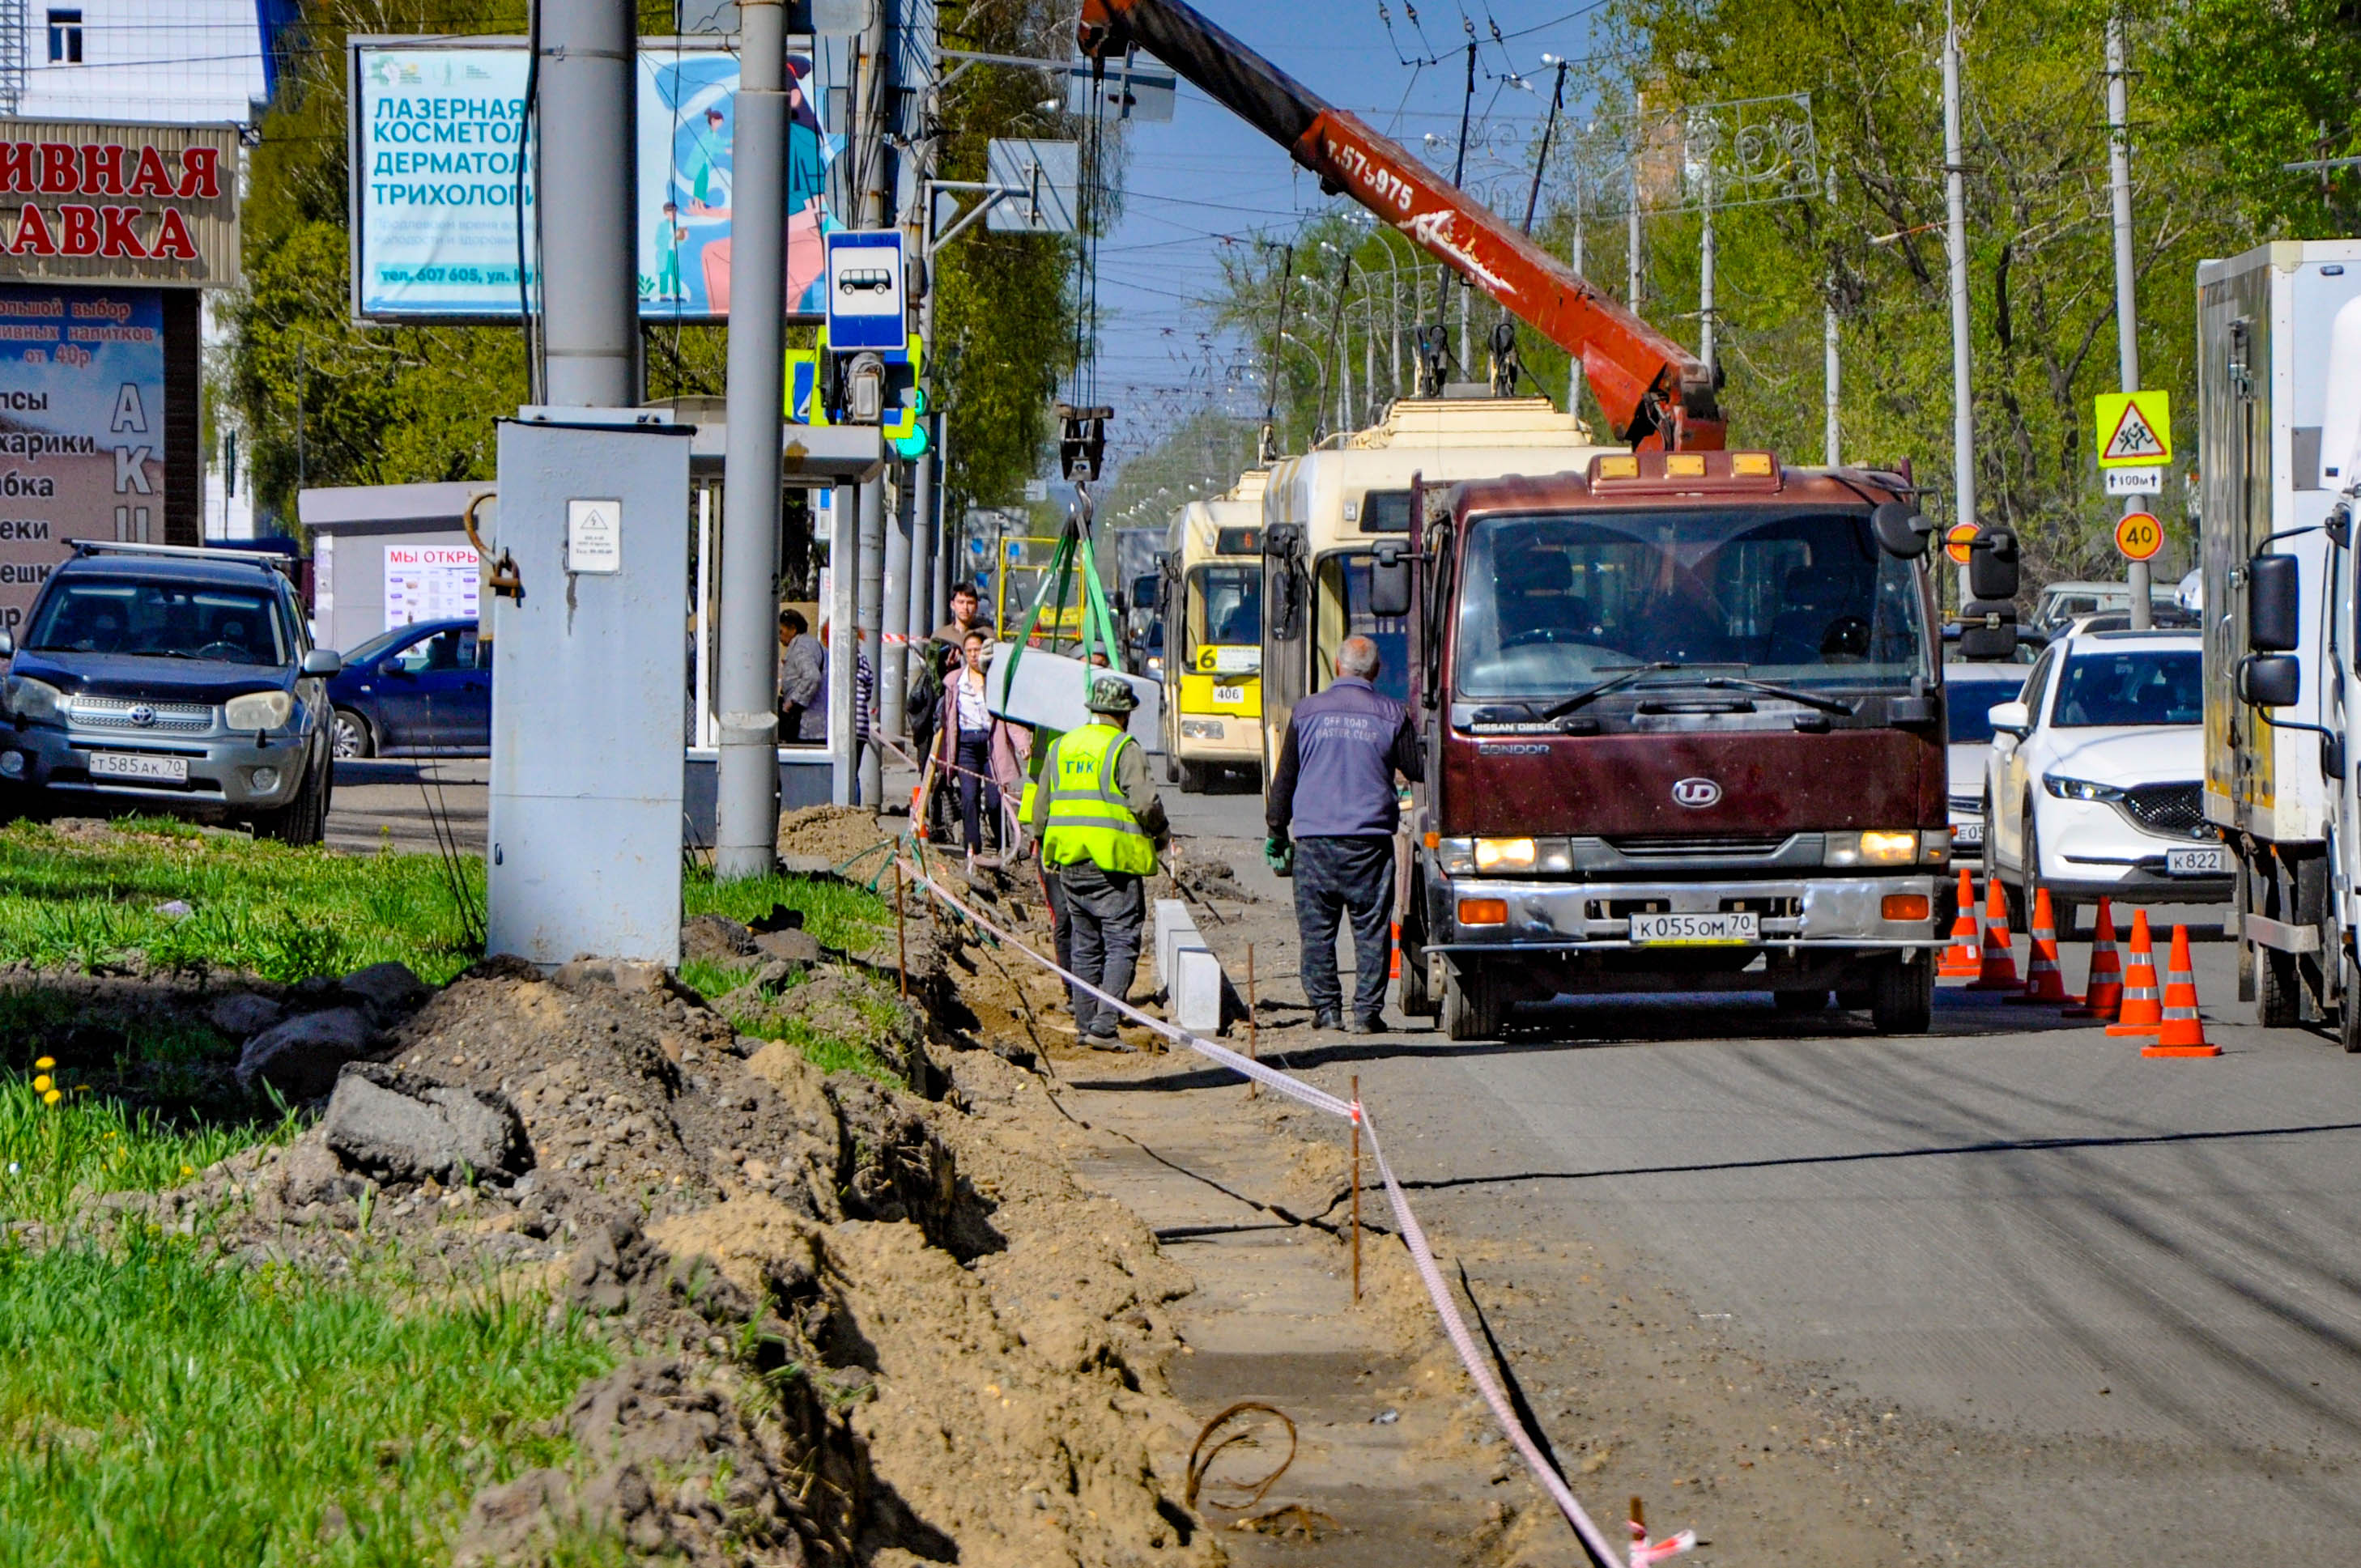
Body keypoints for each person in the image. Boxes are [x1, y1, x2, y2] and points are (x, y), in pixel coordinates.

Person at [1266, 635, 1423, 1033]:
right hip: (1369, 844)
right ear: (1375, 671)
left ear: (1337, 668)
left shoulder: (1306, 711)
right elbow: (1418, 769)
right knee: (1370, 930)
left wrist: (1276, 829)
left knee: (1317, 932)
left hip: (1315, 842)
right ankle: (1367, 1015)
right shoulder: (1392, 712)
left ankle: (1328, 1010)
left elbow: (1285, 779)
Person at [1029, 677, 1167, 1047]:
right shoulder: (1124, 747)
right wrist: (1162, 835)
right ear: (1124, 715)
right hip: (1113, 866)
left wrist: (1046, 844)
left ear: (1093, 709)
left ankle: (1087, 1024)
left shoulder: (1062, 746)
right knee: (1121, 941)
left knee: (1085, 942)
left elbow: (1040, 811)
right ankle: (1104, 1026)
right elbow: (1145, 804)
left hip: (1071, 862)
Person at [937, 630, 1008, 861]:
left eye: (978, 650)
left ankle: (1001, 844)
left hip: (991, 745)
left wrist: (1023, 743)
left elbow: (1009, 718)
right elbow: (947, 719)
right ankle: (973, 849)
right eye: (969, 651)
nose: (974, 655)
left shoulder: (996, 680)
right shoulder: (954, 681)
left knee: (995, 801)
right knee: (969, 797)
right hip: (966, 745)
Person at [776, 607, 822, 744]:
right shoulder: (810, 644)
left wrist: (792, 702)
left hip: (805, 725)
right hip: (814, 724)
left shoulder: (801, 648)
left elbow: (812, 677)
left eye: (781, 631)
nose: (779, 637)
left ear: (793, 629)